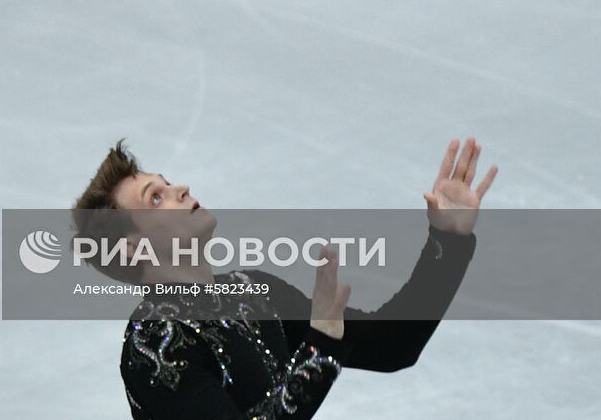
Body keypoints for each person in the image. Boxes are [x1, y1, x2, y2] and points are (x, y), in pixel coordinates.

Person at [73, 137, 497, 418]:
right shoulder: (154, 343)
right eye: (156, 197)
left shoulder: (252, 292)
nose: (181, 188)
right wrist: (320, 351)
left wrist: (448, 241)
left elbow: (393, 345)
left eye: (167, 183)